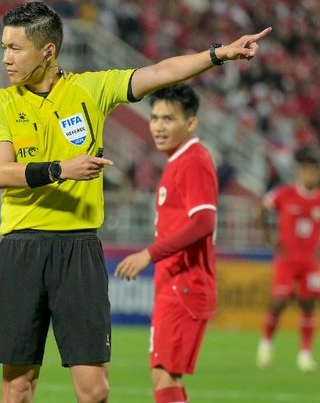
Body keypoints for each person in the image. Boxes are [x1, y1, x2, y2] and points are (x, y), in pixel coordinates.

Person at [0, 1, 269, 403]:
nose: (6, 57)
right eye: (4, 46)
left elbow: (160, 71)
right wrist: (63, 168)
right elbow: (1, 173)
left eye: (15, 48)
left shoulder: (90, 90)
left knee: (95, 390)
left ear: (48, 52)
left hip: (79, 250)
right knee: (18, 386)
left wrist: (219, 54)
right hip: (21, 248)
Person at [115, 84, 218, 403]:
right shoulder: (178, 161)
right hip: (175, 283)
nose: (158, 126)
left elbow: (204, 222)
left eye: (168, 119)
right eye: (155, 117)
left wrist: (150, 253)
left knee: (164, 375)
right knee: (164, 375)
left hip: (185, 284)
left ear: (190, 124)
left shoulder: (193, 160)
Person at [255, 148, 320, 372]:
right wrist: (270, 239)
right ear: (300, 173)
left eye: (314, 172)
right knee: (279, 301)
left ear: (319, 175)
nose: (310, 176)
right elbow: (260, 209)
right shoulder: (284, 193)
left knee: (308, 305)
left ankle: (305, 354)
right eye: (307, 171)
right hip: (287, 259)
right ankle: (266, 344)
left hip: (311, 262)